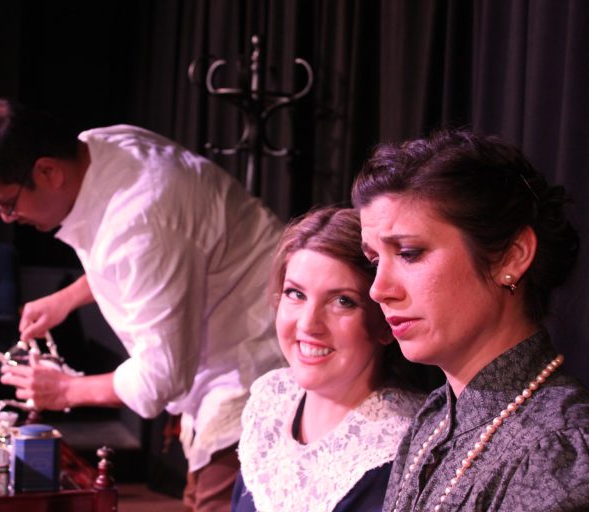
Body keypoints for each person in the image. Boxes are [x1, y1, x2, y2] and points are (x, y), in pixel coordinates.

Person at [0, 98, 286, 511]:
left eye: (7, 203)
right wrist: (66, 299)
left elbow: (159, 380)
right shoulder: (98, 146)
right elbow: (136, 258)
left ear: (47, 171)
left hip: (255, 364)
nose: (7, 218)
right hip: (225, 348)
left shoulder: (141, 221)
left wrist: (64, 390)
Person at [352, 128, 589, 511]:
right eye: (375, 260)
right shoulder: (434, 420)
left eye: (409, 253)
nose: (379, 289)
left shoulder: (555, 450)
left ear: (512, 256)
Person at [231, 207, 428, 512]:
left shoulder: (407, 448)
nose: (309, 324)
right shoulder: (269, 406)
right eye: (296, 294)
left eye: (342, 301)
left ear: (384, 322)